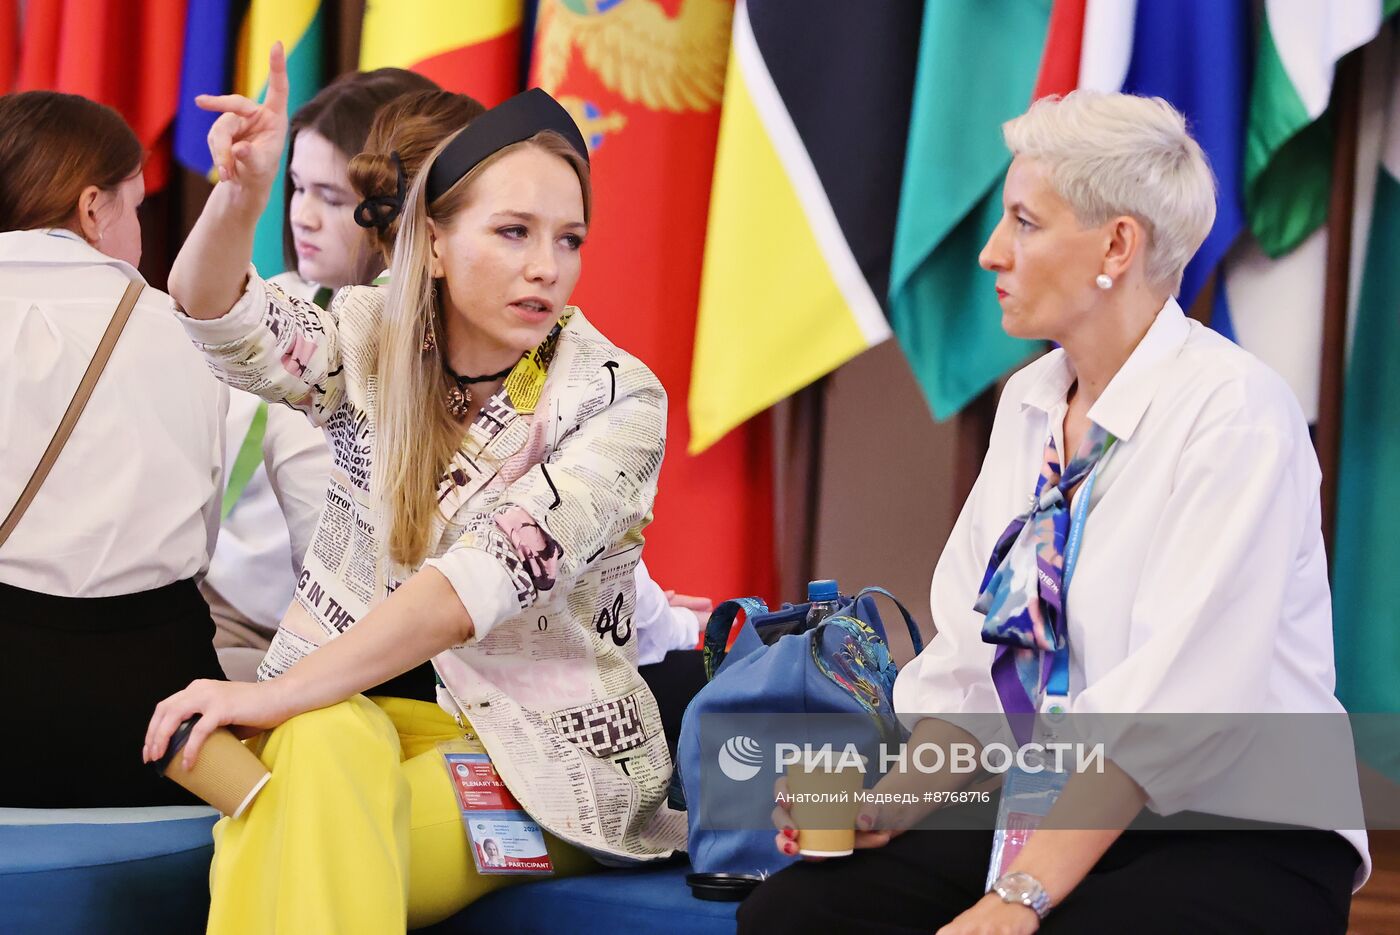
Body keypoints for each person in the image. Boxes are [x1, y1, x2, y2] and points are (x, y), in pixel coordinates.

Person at [740, 91, 1367, 935]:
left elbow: (1172, 713)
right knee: (796, 915)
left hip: (1242, 828)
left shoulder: (1235, 413)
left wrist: (1019, 896)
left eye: (1025, 223)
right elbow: (974, 665)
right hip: (1057, 800)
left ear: (1117, 244)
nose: (991, 252)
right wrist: (885, 805)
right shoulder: (1031, 403)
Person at [144, 46, 683, 934]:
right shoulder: (369, 333)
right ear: (432, 243)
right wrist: (240, 198)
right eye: (514, 232)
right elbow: (219, 316)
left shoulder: (616, 397)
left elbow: (475, 583)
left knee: (298, 822)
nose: (547, 267)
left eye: (569, 238)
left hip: (534, 762)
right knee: (321, 743)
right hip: (349, 713)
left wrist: (269, 696)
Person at [0, 91, 227, 806]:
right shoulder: (188, 332)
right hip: (158, 704)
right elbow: (203, 534)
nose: (140, 231)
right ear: (93, 209)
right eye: (136, 206)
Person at [205, 68, 438, 682]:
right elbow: (199, 299)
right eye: (297, 187)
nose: (302, 216)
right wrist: (237, 193)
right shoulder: (276, 299)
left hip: (357, 644)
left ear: (398, 207)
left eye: (331, 198)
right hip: (224, 604)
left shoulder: (431, 344)